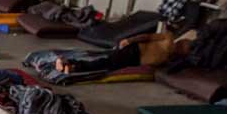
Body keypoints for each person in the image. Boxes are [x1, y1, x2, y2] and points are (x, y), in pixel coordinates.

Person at [54, 31, 195, 75]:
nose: (183, 50)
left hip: (135, 61)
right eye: (184, 47)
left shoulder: (169, 58)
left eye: (185, 51)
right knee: (107, 61)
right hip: (134, 50)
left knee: (107, 65)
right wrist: (129, 40)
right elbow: (147, 36)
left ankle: (73, 66)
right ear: (181, 43)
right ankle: (72, 64)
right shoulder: (168, 38)